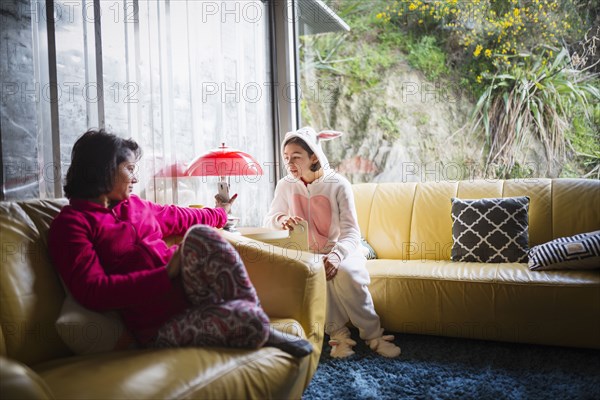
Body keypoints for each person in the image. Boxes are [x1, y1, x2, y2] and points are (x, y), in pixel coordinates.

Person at [48, 129, 312, 357]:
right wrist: (164, 274)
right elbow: (93, 290)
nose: (135, 178)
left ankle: (256, 322)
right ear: (104, 170)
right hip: (158, 326)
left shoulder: (135, 206)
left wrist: (220, 212)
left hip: (190, 293)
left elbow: (181, 216)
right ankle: (256, 324)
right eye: (129, 169)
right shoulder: (71, 224)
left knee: (200, 234)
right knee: (246, 321)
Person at [264, 127, 401, 358]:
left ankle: (374, 335)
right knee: (315, 275)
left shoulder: (338, 184)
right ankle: (338, 337)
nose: (290, 164)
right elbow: (269, 220)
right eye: (286, 158)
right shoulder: (285, 185)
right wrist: (282, 219)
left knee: (347, 274)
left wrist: (337, 255)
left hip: (344, 249)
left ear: (314, 156)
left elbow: (351, 232)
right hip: (309, 253)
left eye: (296, 157)